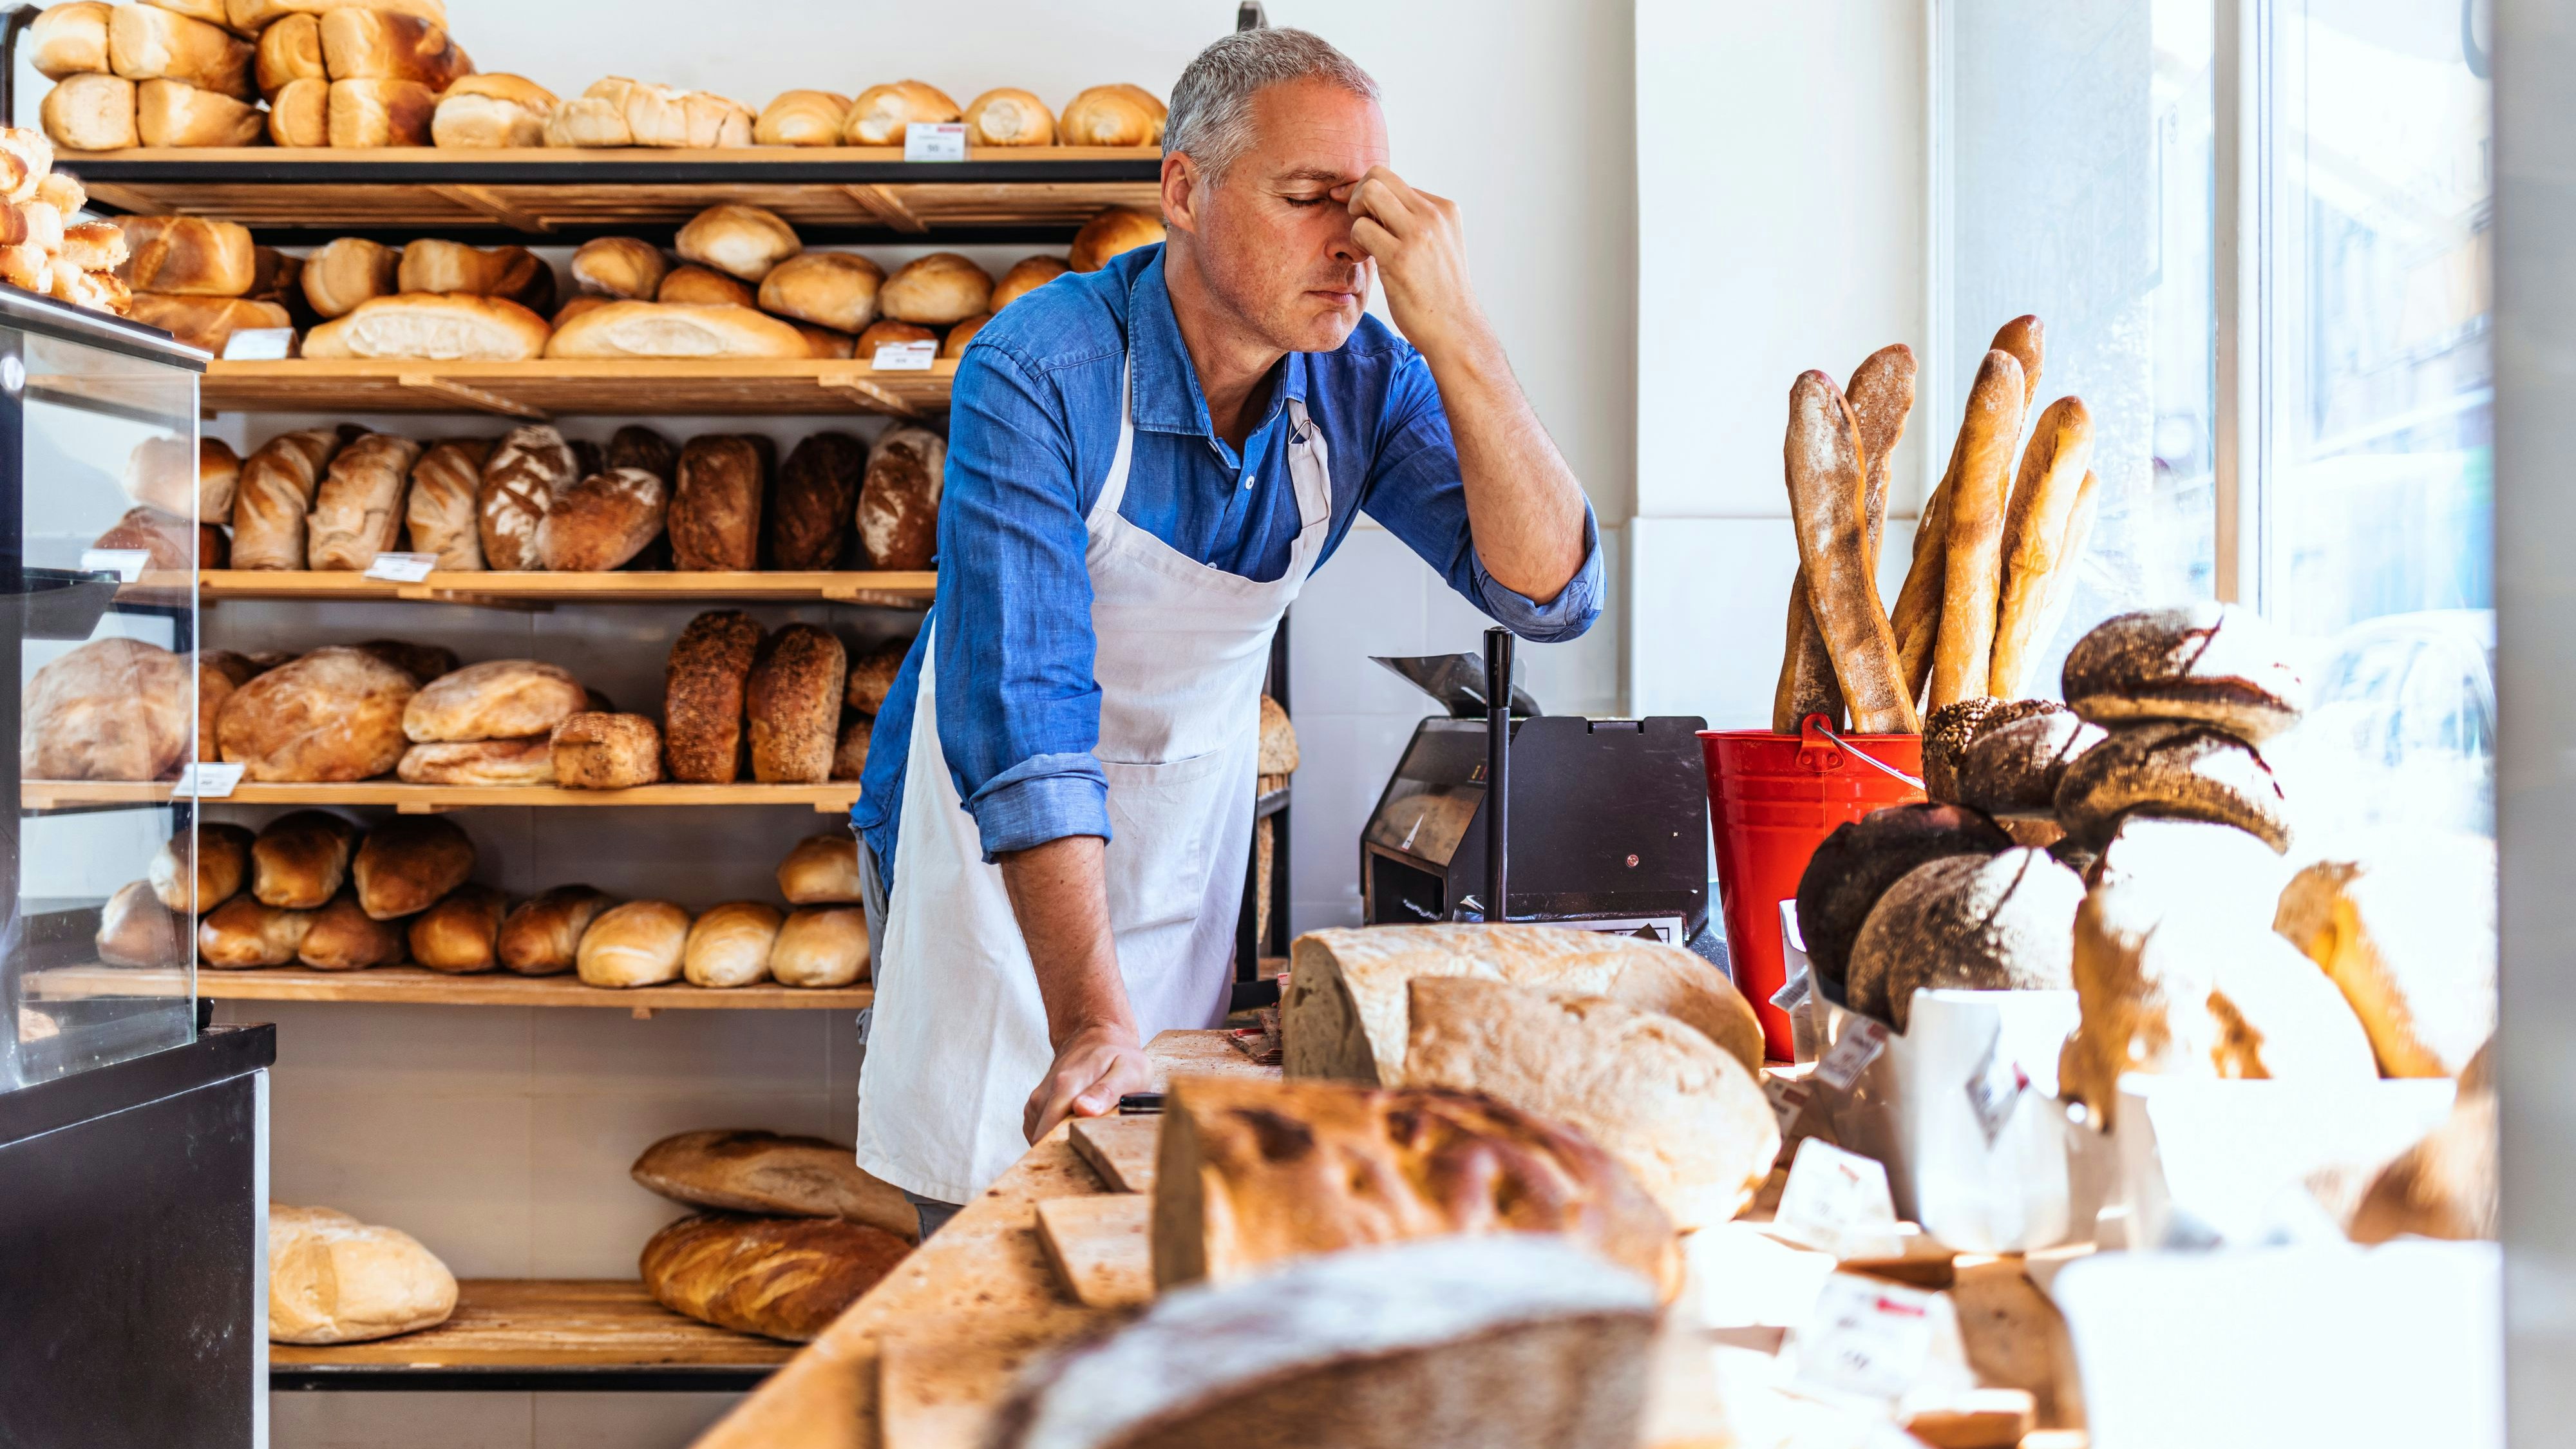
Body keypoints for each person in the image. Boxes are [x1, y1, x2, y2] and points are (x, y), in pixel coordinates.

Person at [848, 26, 1602, 1237]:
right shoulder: (1039, 371)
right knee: (988, 1234)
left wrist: (1457, 330)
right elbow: (1029, 717)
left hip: (1175, 848)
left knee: (1155, 1233)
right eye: (1310, 201)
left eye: (1368, 210)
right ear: (1185, 190)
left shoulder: (1363, 379)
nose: (1352, 246)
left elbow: (1550, 593)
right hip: (992, 854)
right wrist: (1095, 1017)